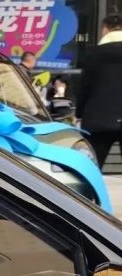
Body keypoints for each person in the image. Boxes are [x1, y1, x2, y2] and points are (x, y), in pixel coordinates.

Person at [76, 14, 122, 171]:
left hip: (98, 118)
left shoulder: (93, 54)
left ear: (105, 29)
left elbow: (85, 87)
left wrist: (79, 112)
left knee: (92, 169)